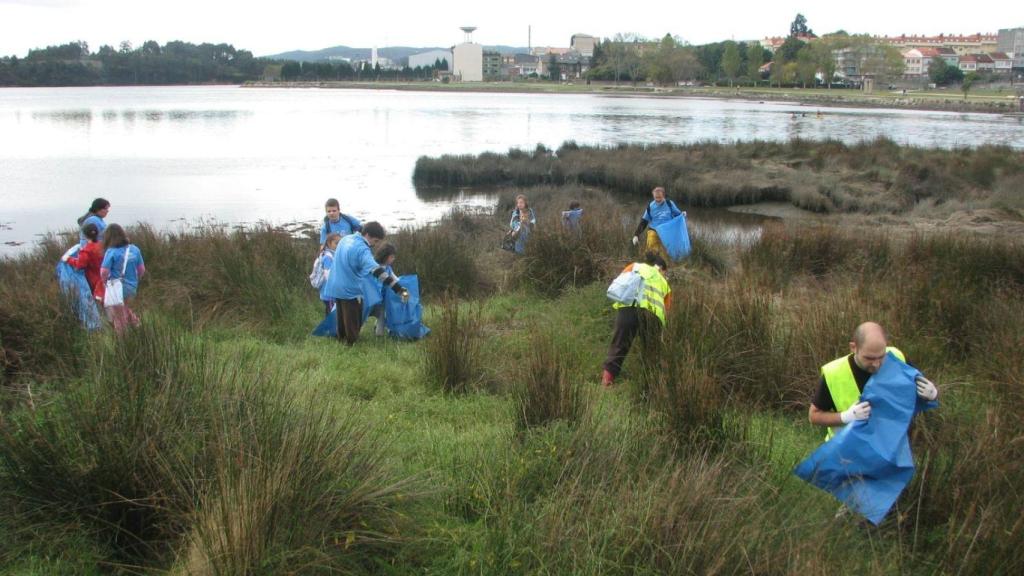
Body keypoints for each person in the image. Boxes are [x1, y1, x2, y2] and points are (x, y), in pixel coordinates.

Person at [809, 322, 939, 441]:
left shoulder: (898, 357)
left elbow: (913, 393)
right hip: (847, 454)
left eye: (881, 356)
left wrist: (932, 394)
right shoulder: (834, 373)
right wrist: (846, 417)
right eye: (869, 358)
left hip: (892, 451)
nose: (876, 364)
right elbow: (814, 416)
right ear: (853, 347)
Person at [324, 221, 408, 346]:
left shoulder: (346, 239)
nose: (375, 245)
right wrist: (399, 289)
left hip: (335, 285)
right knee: (352, 318)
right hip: (349, 289)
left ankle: (340, 340)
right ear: (368, 235)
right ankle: (351, 345)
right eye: (375, 241)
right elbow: (379, 272)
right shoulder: (362, 249)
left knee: (341, 316)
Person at [601, 252, 672, 387]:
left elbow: (620, 284)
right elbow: (667, 310)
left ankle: (606, 383)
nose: (665, 275)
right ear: (661, 268)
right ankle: (649, 387)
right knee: (651, 352)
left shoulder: (634, 266)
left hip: (628, 309)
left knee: (619, 345)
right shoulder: (665, 283)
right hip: (653, 317)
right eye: (665, 272)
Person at [100, 224, 145, 334]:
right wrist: (135, 280)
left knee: (119, 318)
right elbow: (141, 269)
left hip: (117, 288)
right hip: (132, 287)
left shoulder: (111, 252)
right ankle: (138, 327)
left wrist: (104, 283)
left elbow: (104, 271)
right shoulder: (134, 249)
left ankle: (123, 344)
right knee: (125, 309)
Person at [631, 186, 683, 265]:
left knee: (665, 253)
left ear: (664, 196)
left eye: (660, 198)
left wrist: (682, 215)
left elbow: (678, 215)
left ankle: (664, 268)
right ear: (653, 196)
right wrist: (636, 235)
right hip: (654, 230)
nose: (658, 200)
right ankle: (650, 265)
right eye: (656, 198)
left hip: (667, 232)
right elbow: (644, 221)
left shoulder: (669, 204)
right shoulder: (650, 206)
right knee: (650, 251)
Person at [65, 222, 106, 303]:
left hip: (94, 281)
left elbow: (80, 265)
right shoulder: (103, 246)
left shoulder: (86, 250)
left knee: (97, 302)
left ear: (85, 235)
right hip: (106, 278)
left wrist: (68, 259)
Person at [369, 242, 397, 337]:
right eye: (392, 257)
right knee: (362, 316)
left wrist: (402, 285)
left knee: (381, 314)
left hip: (381, 299)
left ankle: (378, 333)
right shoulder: (373, 266)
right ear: (385, 256)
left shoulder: (388, 268)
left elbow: (395, 279)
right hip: (369, 298)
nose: (394, 259)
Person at [317, 233, 342, 317]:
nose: (338, 245)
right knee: (331, 314)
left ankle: (331, 329)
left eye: (340, 243)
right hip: (329, 293)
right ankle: (331, 329)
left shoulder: (333, 254)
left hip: (330, 292)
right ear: (329, 243)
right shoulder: (328, 257)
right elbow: (328, 276)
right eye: (336, 243)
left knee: (331, 312)